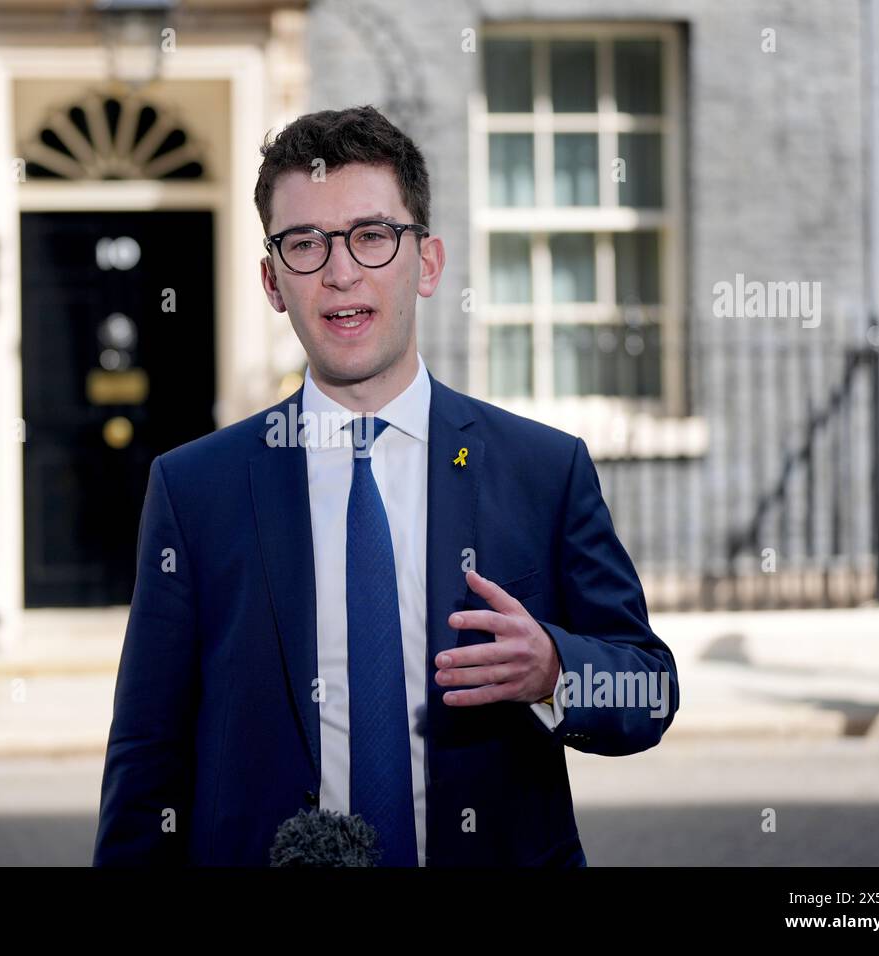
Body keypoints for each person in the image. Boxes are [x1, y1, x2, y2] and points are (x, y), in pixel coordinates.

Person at [91, 105, 679, 867]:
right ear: (272, 282)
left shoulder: (541, 469)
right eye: (305, 243)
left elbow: (649, 688)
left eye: (371, 236)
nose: (340, 271)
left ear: (427, 263)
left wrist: (555, 672)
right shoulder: (194, 490)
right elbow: (147, 758)